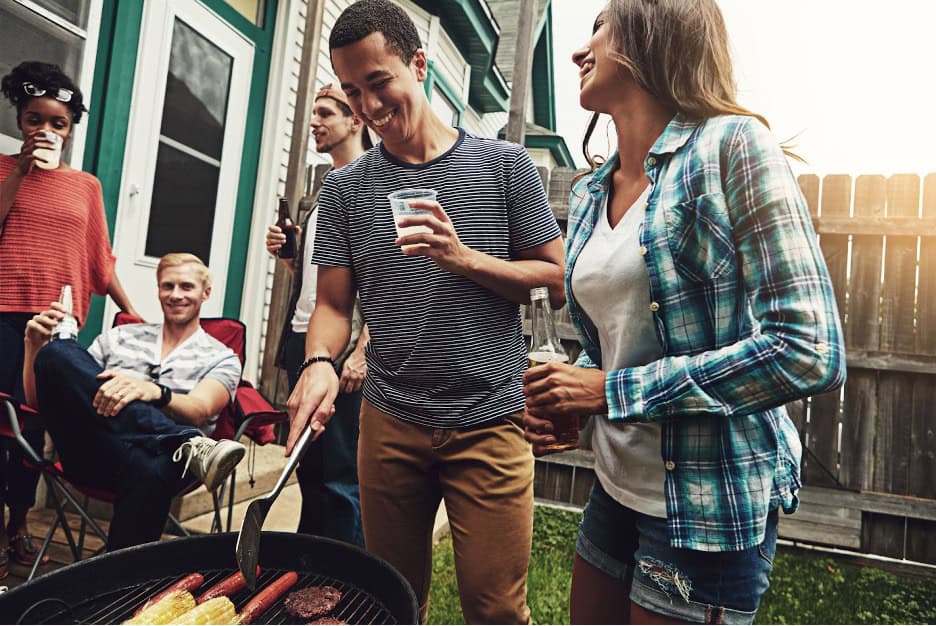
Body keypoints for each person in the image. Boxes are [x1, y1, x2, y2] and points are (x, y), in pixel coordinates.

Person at [521, 2, 847, 624]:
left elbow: (810, 350)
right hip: (615, 490)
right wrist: (575, 401)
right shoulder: (592, 192)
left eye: (598, 28)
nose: (577, 52)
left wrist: (609, 392)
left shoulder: (734, 146)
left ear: (652, 34)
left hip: (707, 510)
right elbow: (621, 340)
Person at [285, 0, 565, 622]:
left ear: (418, 63)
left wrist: (464, 258)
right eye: (353, 92)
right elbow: (333, 303)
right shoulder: (346, 188)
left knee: (495, 608)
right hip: (389, 422)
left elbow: (554, 278)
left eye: (378, 82)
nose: (369, 107)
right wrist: (322, 362)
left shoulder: (505, 166)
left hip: (489, 418)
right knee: (390, 600)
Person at [0, 60, 139, 576]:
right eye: (36, 119)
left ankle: (18, 528)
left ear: (70, 128)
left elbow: (100, 259)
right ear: (21, 120)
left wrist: (131, 309)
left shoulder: (86, 186)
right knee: (0, 425)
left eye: (58, 123)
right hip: (4, 314)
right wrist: (20, 169)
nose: (46, 130)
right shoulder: (2, 168)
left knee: (32, 431)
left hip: (59, 322)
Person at [22, 253, 246, 551]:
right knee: (57, 352)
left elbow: (200, 409)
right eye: (168, 286)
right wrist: (33, 346)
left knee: (151, 463)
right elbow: (41, 401)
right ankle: (186, 442)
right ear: (158, 290)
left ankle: (119, 583)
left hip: (166, 467)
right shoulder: (118, 338)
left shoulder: (221, 357)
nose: (176, 295)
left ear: (206, 293)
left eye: (186, 287)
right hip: (93, 451)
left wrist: (155, 391)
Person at [265, 83, 371, 546]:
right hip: (303, 340)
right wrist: (292, 257)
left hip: (345, 350)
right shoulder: (322, 190)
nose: (315, 121)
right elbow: (324, 278)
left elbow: (387, 279)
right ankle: (311, 575)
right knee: (309, 468)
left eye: (327, 112)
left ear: (356, 121)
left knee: (342, 476)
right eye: (313, 112)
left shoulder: (371, 186)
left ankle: (348, 581)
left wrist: (364, 350)